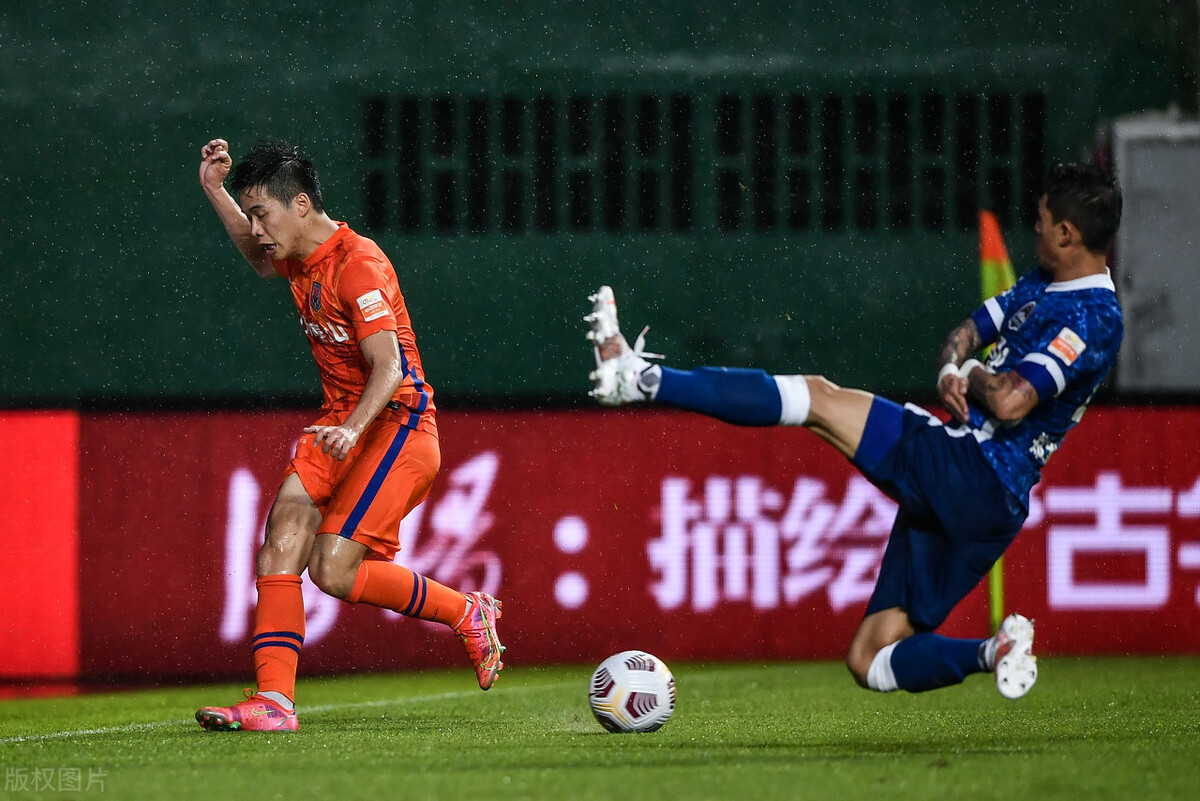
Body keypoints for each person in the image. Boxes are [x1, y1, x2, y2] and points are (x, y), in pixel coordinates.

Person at [586, 163, 1123, 700]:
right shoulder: (1043, 281)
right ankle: (994, 651)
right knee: (869, 659)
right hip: (988, 503)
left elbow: (1008, 401)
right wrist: (950, 367)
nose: (1034, 228)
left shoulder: (1094, 316)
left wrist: (970, 372)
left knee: (817, 398)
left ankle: (640, 379)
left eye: (1041, 220)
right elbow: (964, 333)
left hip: (970, 468)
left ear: (1066, 233)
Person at [195, 138, 505, 731]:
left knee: (333, 570)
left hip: (396, 424)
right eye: (251, 215)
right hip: (341, 421)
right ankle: (275, 703)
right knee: (282, 534)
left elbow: (389, 367)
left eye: (261, 214)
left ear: (301, 205)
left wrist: (355, 427)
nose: (256, 229)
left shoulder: (357, 265)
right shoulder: (298, 254)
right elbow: (259, 258)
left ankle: (467, 611)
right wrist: (215, 190)